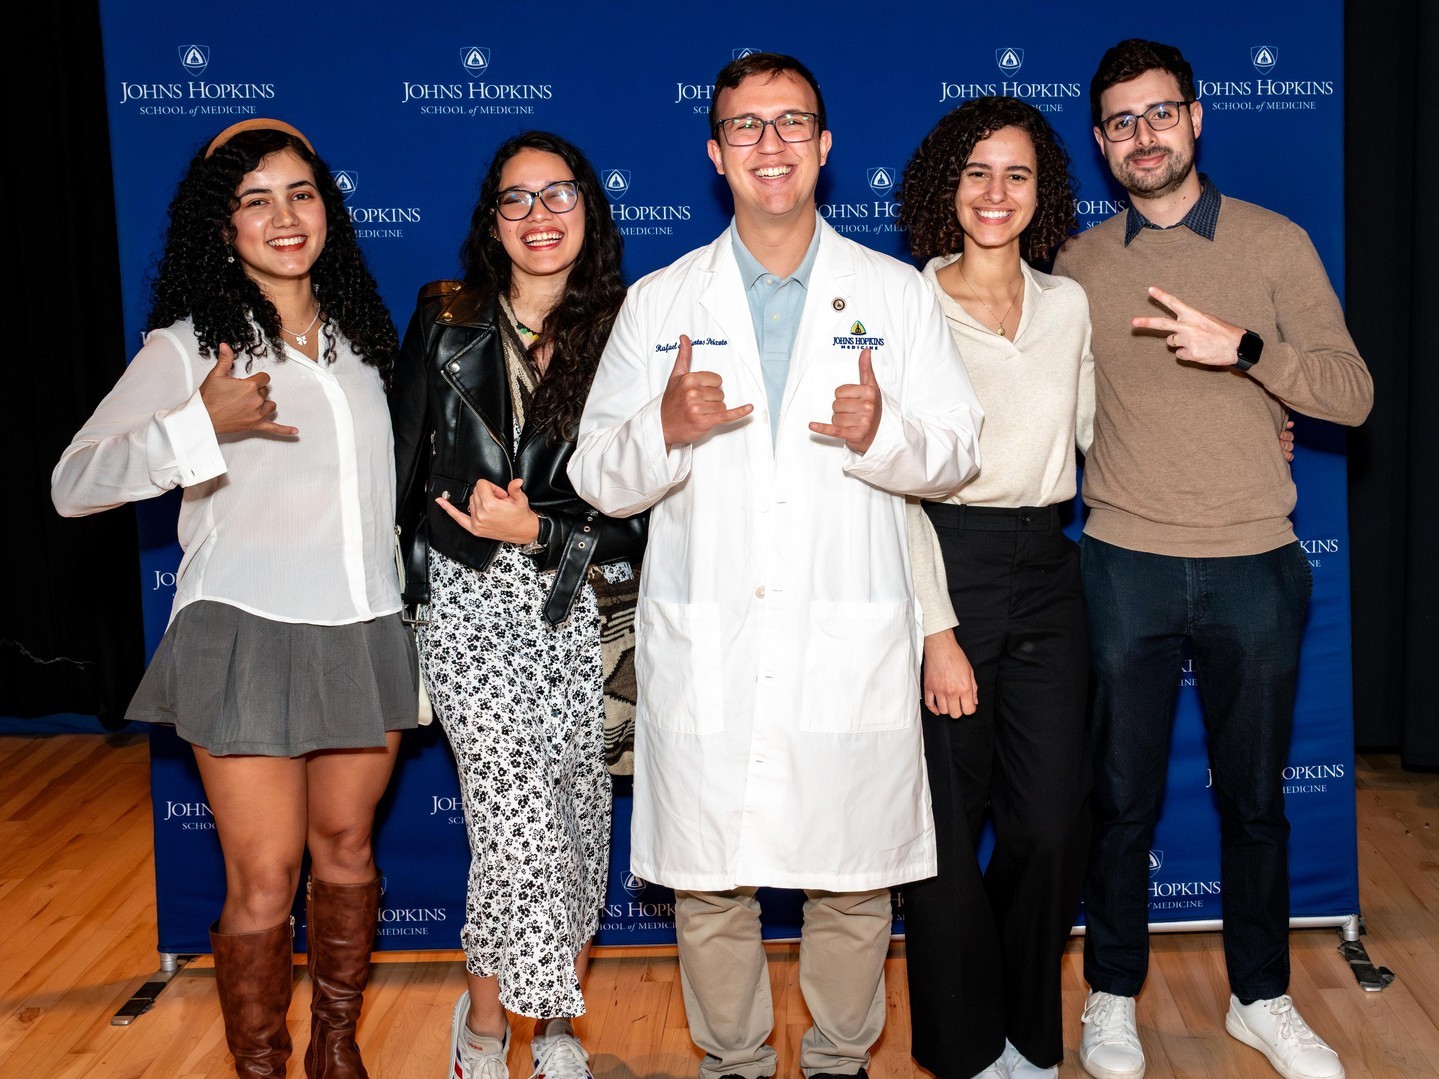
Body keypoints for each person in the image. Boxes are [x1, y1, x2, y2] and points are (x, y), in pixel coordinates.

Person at [568, 52, 984, 1079]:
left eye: (790, 122)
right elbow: (594, 474)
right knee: (712, 877)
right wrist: (663, 427)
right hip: (709, 630)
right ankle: (734, 1063)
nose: (769, 144)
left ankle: (840, 1060)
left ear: (824, 145)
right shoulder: (663, 301)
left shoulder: (892, 293)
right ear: (714, 153)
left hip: (844, 629)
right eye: (745, 126)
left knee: (851, 875)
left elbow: (959, 450)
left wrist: (885, 430)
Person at [52, 118, 413, 1078]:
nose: (283, 215)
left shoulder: (366, 343)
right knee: (263, 878)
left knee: (347, 852)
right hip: (244, 627)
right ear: (222, 228)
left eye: (300, 193)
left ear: (326, 209)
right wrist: (192, 426)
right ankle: (258, 1065)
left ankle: (336, 1048)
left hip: (364, 622)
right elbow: (73, 482)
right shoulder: (185, 348)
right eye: (253, 200)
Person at [1050, 39, 1373, 1079]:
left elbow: (1350, 394)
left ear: (1193, 118)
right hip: (1121, 562)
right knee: (1117, 797)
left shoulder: (1275, 245)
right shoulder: (1077, 266)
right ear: (1099, 143)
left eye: (1157, 114)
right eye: (1118, 122)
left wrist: (1246, 355)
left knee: (1253, 800)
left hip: (1253, 564)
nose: (1141, 136)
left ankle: (1260, 995)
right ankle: (1109, 994)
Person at [390, 130, 646, 1079]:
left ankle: (518, 1028)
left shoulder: (632, 329)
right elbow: (400, 475)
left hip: (579, 602)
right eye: (516, 199)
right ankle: (522, 1035)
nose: (539, 216)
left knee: (574, 820)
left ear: (590, 207)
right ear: (490, 220)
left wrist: (538, 535)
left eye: (558, 194)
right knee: (516, 825)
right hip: (464, 602)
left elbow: (648, 518)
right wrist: (407, 603)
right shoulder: (445, 320)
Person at [894, 96, 1094, 1079]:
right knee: (937, 837)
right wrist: (936, 629)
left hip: (1050, 570)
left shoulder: (1068, 306)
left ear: (1040, 191)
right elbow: (892, 487)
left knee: (1049, 825)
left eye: (1015, 174)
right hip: (942, 564)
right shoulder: (904, 306)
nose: (994, 192)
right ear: (944, 185)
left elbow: (1103, 433)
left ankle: (1026, 1032)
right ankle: (964, 1049)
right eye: (975, 171)